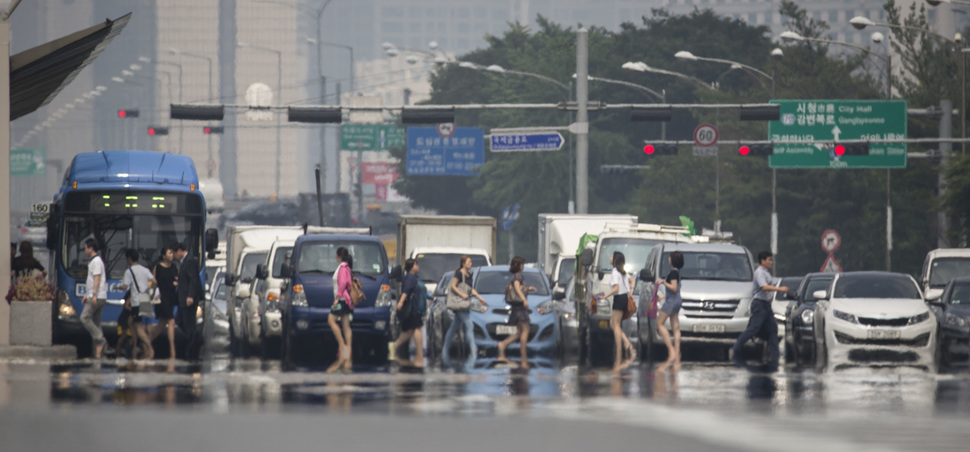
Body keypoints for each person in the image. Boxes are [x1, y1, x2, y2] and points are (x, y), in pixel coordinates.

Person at [732, 251, 788, 369]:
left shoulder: (766, 273)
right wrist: (779, 289)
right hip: (759, 305)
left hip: (766, 306)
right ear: (762, 261)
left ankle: (775, 356)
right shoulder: (759, 273)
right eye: (769, 260)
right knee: (753, 329)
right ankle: (736, 348)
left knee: (773, 329)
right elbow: (764, 287)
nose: (771, 262)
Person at [441, 255, 487, 368]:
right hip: (459, 303)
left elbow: (471, 289)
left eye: (471, 262)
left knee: (454, 327)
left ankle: (444, 350)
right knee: (469, 324)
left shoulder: (470, 275)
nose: (471, 264)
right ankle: (473, 351)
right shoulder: (459, 273)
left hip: (464, 304)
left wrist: (480, 298)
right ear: (463, 263)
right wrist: (462, 295)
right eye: (469, 262)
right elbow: (453, 286)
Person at [496, 256, 533, 368]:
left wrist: (528, 289)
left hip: (516, 308)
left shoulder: (515, 276)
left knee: (517, 333)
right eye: (522, 264)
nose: (523, 266)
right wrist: (524, 299)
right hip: (520, 308)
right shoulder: (517, 276)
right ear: (519, 265)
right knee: (525, 330)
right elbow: (517, 288)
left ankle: (502, 345)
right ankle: (524, 360)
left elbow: (519, 288)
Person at [119, 248, 155, 360]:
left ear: (129, 259)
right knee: (131, 322)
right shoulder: (144, 269)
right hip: (145, 298)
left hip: (136, 301)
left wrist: (118, 287)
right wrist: (151, 294)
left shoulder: (129, 271)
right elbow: (155, 282)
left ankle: (150, 349)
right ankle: (134, 346)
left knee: (139, 327)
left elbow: (125, 287)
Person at [602, 251, 636, 369]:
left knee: (615, 324)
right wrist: (630, 293)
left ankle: (621, 349)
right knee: (613, 323)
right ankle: (626, 343)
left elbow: (616, 288)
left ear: (615, 260)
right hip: (624, 298)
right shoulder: (623, 273)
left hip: (618, 298)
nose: (610, 258)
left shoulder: (615, 272)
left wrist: (605, 296)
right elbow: (633, 281)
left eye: (612, 256)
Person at [174, 242, 204, 360]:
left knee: (189, 324)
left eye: (175, 253)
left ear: (180, 251)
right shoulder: (184, 262)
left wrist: (190, 296)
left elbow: (193, 280)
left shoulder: (189, 261)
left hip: (188, 299)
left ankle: (192, 351)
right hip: (183, 298)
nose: (174, 256)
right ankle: (196, 340)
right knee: (180, 320)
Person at [80, 238, 108, 358]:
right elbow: (92, 280)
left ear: (91, 248)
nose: (85, 250)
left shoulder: (96, 261)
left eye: (86, 247)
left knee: (84, 318)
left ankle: (101, 340)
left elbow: (97, 278)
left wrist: (94, 294)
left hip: (97, 296)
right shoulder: (95, 261)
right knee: (96, 323)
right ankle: (99, 351)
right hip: (96, 295)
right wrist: (88, 293)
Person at [656, 251, 684, 370]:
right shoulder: (677, 272)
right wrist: (662, 297)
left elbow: (673, 288)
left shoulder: (673, 273)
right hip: (677, 301)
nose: (668, 259)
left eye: (670, 257)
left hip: (671, 303)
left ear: (673, 260)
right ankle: (677, 352)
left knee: (659, 324)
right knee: (675, 327)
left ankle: (671, 350)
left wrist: (663, 282)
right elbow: (675, 291)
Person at [394, 258, 424, 365]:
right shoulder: (410, 278)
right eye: (416, 264)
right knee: (415, 329)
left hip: (413, 309)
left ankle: (419, 354)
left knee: (410, 330)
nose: (418, 266)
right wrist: (401, 302)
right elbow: (406, 291)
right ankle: (419, 355)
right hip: (412, 310)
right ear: (412, 267)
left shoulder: (410, 277)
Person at [151, 246, 179, 358]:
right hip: (162, 298)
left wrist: (177, 283)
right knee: (171, 321)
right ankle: (172, 350)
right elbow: (154, 283)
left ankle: (146, 341)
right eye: (169, 253)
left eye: (172, 253)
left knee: (162, 324)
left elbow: (177, 279)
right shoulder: (157, 267)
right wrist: (152, 297)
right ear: (163, 256)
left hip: (171, 297)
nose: (171, 255)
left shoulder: (174, 267)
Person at [328, 247, 354, 366]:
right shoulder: (346, 267)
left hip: (342, 300)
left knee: (331, 320)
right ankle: (348, 353)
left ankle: (343, 346)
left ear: (338, 256)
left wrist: (337, 299)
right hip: (346, 300)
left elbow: (342, 284)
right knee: (346, 325)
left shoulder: (343, 268)